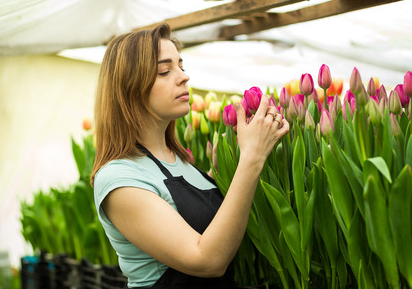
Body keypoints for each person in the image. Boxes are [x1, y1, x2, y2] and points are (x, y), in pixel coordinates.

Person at [91, 23, 289, 289]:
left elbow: (197, 214)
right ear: (129, 88)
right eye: (164, 70)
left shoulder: (178, 160)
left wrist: (226, 166)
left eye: (180, 66)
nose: (183, 76)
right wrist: (251, 159)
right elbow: (206, 260)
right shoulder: (119, 177)